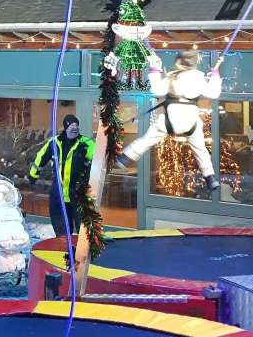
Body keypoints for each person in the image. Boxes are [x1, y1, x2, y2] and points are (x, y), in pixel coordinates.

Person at [116, 51, 221, 190]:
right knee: (200, 149)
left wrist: (154, 70)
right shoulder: (199, 78)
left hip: (169, 121)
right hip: (191, 122)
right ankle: (210, 177)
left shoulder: (172, 77)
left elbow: (156, 90)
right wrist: (215, 76)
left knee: (148, 138)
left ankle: (126, 157)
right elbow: (213, 93)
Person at [27, 115, 94, 236]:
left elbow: (99, 159)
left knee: (83, 231)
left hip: (79, 194)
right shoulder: (54, 143)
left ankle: (82, 253)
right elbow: (40, 158)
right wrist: (33, 175)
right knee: (61, 230)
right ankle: (63, 251)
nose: (75, 128)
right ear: (65, 127)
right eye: (72, 125)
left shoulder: (86, 143)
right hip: (58, 194)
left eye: (76, 125)